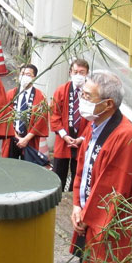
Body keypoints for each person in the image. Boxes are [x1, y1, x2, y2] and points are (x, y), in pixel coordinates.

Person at [69, 70, 132, 263]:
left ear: (108, 104)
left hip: (105, 229)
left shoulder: (125, 136)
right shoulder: (95, 124)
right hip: (86, 220)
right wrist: (76, 206)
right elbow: (81, 169)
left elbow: (113, 192)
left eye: (88, 96)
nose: (82, 99)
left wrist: (85, 218)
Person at [50, 60, 91, 191]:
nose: (78, 75)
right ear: (70, 73)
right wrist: (64, 135)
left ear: (87, 74)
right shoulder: (61, 91)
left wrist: (83, 138)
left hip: (83, 141)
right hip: (63, 140)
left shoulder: (91, 92)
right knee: (58, 176)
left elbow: (94, 119)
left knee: (78, 176)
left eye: (82, 72)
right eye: (76, 72)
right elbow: (54, 115)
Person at [0, 64, 50, 164]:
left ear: (34, 77)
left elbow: (40, 121)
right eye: (22, 74)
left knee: (28, 168)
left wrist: (26, 139)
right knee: (8, 166)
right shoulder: (11, 94)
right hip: (11, 137)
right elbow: (5, 116)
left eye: (28, 74)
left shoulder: (40, 97)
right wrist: (16, 136)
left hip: (29, 139)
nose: (25, 77)